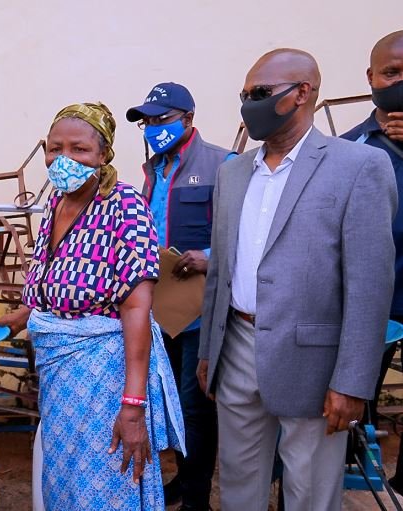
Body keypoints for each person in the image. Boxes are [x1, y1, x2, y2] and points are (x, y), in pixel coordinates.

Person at [197, 48, 397, 510]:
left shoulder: (358, 166)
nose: (250, 104)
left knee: (309, 489)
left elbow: (370, 286)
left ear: (303, 93)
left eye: (261, 93)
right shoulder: (233, 172)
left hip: (314, 359)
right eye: (245, 94)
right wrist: (210, 349)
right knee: (238, 481)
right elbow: (222, 272)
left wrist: (353, 382)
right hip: (237, 347)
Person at [0, 102, 184, 510]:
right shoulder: (57, 205)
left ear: (102, 155)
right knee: (66, 478)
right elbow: (61, 279)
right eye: (54, 148)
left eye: (79, 149)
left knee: (104, 481)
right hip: (60, 378)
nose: (64, 159)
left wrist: (132, 406)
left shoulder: (124, 207)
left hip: (106, 376)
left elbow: (136, 308)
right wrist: (24, 314)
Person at [126, 82, 230, 511]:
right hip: (161, 308)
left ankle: (197, 497)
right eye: (148, 122)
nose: (154, 128)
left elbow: (245, 233)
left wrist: (208, 256)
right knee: (167, 405)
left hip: (200, 312)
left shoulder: (224, 164)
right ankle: (181, 480)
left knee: (195, 407)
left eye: (162, 119)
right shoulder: (154, 170)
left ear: (188, 118)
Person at [341, 30, 403, 492]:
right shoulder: (347, 149)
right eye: (391, 72)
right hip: (373, 305)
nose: (399, 82)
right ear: (371, 78)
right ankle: (343, 476)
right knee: (352, 397)